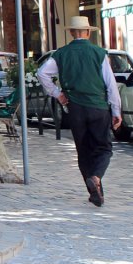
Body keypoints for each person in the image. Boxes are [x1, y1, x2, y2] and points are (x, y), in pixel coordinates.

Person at [36, 16, 122, 207]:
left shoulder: (62, 53)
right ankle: (97, 178)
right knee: (103, 148)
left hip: (75, 108)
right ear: (88, 32)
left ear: (71, 33)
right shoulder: (98, 53)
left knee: (83, 150)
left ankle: (94, 192)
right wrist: (116, 110)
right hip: (98, 106)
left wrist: (58, 94)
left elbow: (42, 73)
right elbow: (111, 85)